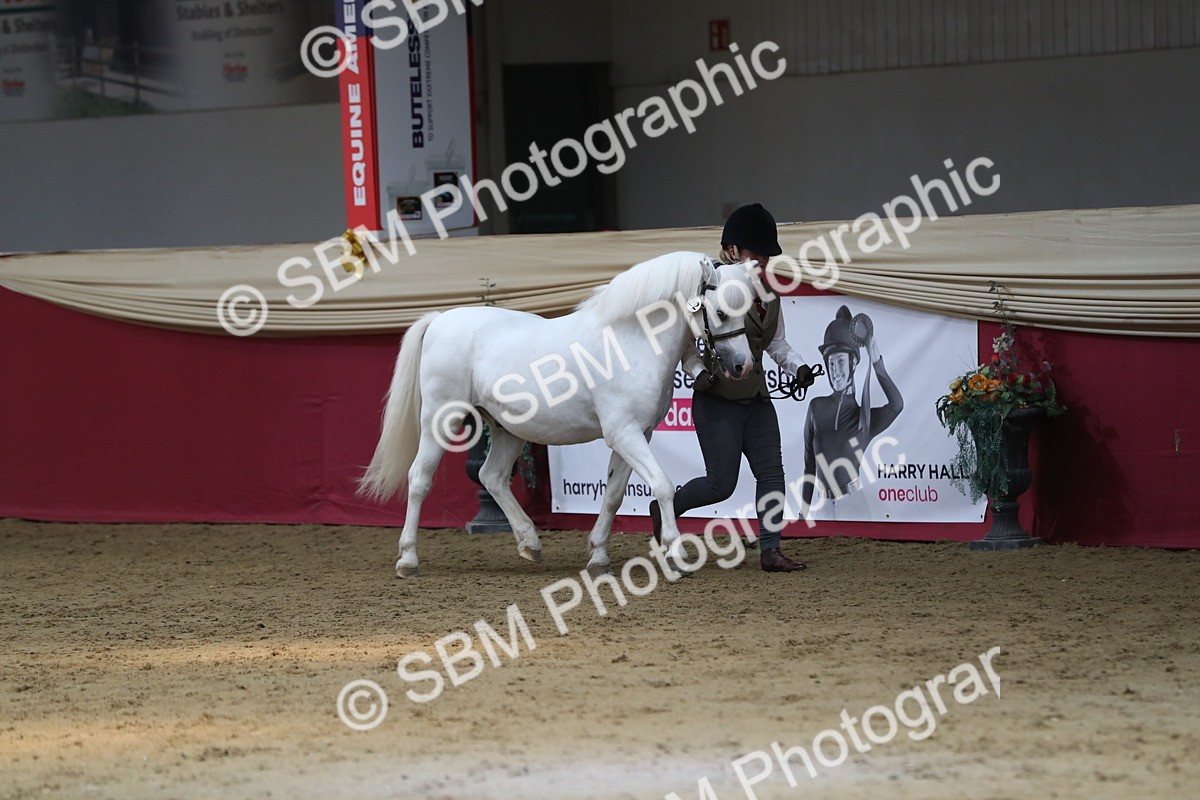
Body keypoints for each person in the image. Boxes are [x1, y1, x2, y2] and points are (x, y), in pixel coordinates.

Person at [651, 204, 818, 572]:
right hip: (718, 401)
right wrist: (697, 373)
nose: (763, 262)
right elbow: (685, 344)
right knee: (719, 486)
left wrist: (799, 368)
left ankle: (771, 551)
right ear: (731, 251)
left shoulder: (769, 296)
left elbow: (776, 344)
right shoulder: (708, 291)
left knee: (772, 474)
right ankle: (666, 508)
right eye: (755, 254)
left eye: (766, 255)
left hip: (757, 400)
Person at [801, 306, 904, 520]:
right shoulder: (815, 408)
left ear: (853, 362)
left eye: (840, 361)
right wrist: (802, 515)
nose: (835, 370)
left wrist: (876, 362)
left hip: (854, 506)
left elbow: (896, 405)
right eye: (830, 363)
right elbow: (809, 467)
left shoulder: (864, 419)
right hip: (822, 507)